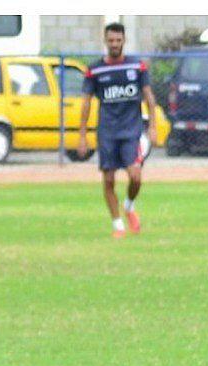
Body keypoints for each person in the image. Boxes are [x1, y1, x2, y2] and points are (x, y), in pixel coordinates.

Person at [78, 22, 157, 238]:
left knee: (136, 176)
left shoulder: (137, 67)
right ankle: (118, 225)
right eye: (111, 40)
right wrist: (82, 135)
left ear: (124, 41)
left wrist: (153, 127)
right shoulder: (95, 70)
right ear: (105, 41)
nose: (114, 44)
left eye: (118, 40)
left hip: (131, 131)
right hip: (107, 133)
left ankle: (129, 206)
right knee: (109, 180)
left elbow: (149, 98)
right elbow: (85, 104)